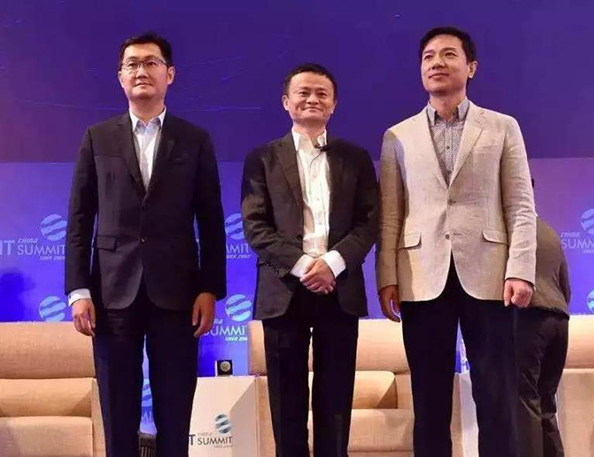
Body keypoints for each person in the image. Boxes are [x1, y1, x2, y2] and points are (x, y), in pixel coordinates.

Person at [376, 26, 537, 457]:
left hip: (491, 276)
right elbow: (390, 214)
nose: (437, 63)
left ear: (471, 67)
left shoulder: (502, 127)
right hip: (420, 276)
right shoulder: (397, 136)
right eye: (428, 56)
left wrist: (521, 269)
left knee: (496, 396)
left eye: (448, 54)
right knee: (428, 401)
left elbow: (521, 205)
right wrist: (387, 276)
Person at [65, 33, 226, 457]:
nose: (141, 71)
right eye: (132, 64)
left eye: (151, 63)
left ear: (169, 74)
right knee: (118, 408)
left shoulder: (194, 140)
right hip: (111, 293)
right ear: (120, 77)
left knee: (175, 406)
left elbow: (211, 219)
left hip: (178, 292)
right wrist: (78, 290)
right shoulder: (98, 138)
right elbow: (80, 218)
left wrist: (210, 288)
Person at [241, 63, 378, 457]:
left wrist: (332, 263)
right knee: (287, 403)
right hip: (284, 290)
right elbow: (255, 226)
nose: (312, 99)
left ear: (334, 104)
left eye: (322, 93)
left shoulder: (355, 158)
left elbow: (369, 222)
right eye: (303, 92)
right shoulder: (262, 158)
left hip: (339, 288)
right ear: (286, 102)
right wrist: (305, 267)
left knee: (336, 402)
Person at [517, 181, 571, 457]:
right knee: (546, 404)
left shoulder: (514, 232)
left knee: (525, 402)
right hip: (559, 321)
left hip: (530, 319)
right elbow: (566, 288)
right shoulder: (550, 232)